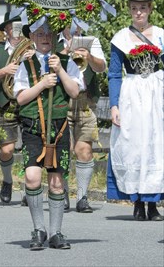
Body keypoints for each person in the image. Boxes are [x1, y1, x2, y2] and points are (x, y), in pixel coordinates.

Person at [13, 24, 83, 250]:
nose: (44, 37)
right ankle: (39, 229)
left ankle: (56, 232)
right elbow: (21, 98)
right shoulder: (25, 65)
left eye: (48, 33)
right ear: (32, 36)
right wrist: (42, 84)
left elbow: (74, 92)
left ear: (54, 37)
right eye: (40, 33)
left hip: (58, 127)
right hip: (33, 127)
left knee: (56, 182)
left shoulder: (67, 62)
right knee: (32, 177)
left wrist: (60, 70)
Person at [107, 0, 163, 221]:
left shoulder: (161, 35)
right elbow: (114, 74)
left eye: (142, 8)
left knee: (154, 145)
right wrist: (114, 105)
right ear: (129, 10)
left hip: (156, 93)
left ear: (150, 9)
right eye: (134, 9)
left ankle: (153, 203)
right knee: (133, 145)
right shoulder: (120, 38)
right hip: (131, 95)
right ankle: (137, 202)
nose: (138, 12)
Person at [59, 25, 107, 213]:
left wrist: (89, 56)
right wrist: (66, 51)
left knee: (84, 149)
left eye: (77, 23)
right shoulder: (54, 41)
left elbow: (101, 67)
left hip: (85, 101)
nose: (75, 26)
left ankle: (82, 197)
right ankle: (61, 193)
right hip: (61, 101)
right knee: (63, 149)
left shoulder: (91, 40)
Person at [0, 12, 27, 204]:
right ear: (6, 31)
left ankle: (29, 188)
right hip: (5, 102)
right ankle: (7, 180)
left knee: (31, 149)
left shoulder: (31, 48)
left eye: (19, 28)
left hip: (28, 102)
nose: (16, 32)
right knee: (7, 149)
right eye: (12, 28)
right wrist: (4, 71)